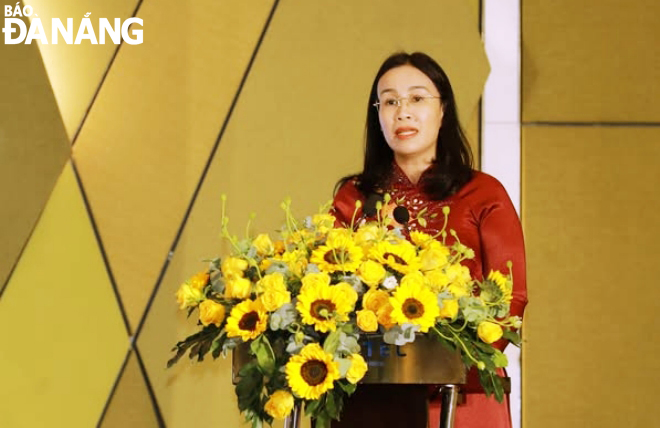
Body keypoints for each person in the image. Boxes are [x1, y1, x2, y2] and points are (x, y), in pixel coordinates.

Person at [330, 52, 528, 428]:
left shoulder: (483, 193)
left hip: (465, 393)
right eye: (389, 101)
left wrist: (445, 366)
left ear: (443, 111)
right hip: (372, 395)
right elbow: (326, 286)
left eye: (417, 98)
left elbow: (511, 299)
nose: (402, 112)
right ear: (378, 115)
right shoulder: (353, 199)